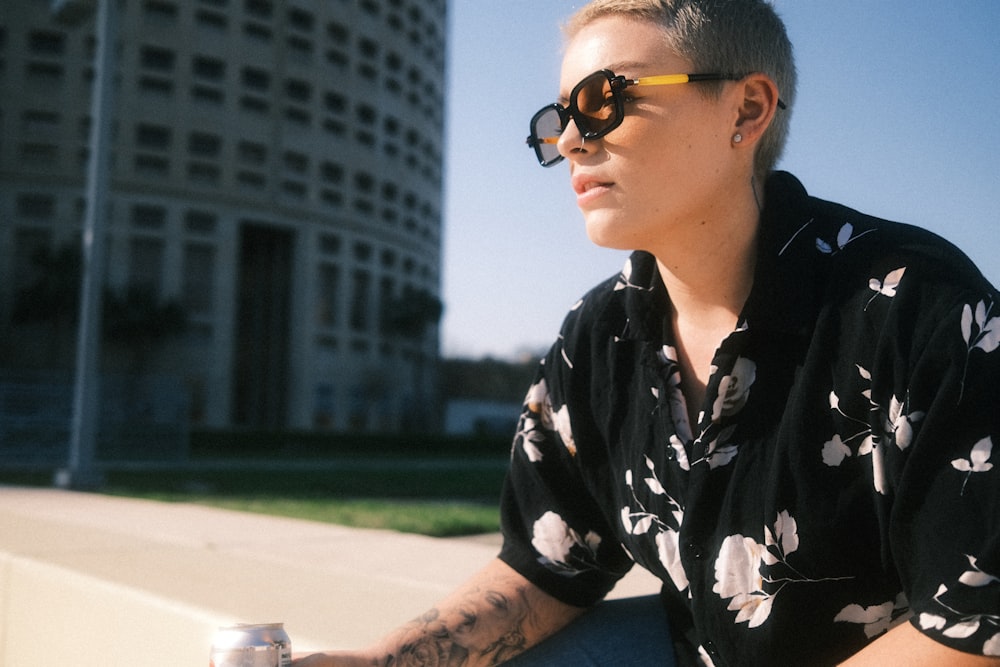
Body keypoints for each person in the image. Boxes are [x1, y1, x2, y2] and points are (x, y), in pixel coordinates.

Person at [294, 0, 1000, 664]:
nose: (570, 140)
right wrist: (381, 660)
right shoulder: (598, 340)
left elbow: (978, 628)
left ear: (746, 109)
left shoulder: (923, 311)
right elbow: (544, 567)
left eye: (605, 99)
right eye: (560, 114)